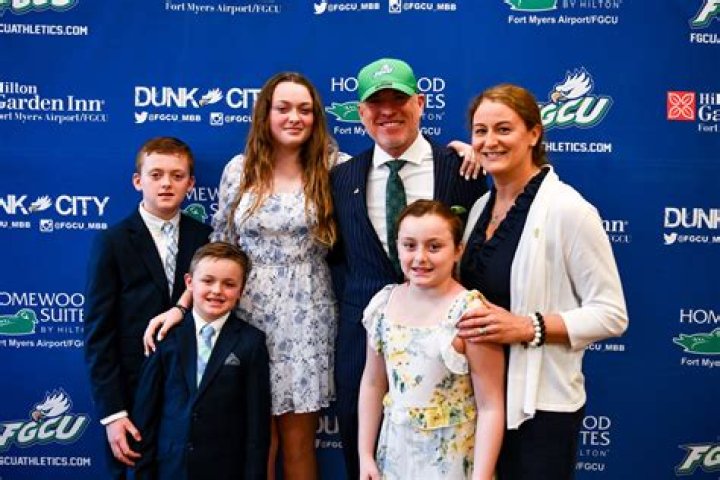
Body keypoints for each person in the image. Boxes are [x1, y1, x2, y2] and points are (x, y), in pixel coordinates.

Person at [143, 72, 339, 480]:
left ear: (316, 117)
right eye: (283, 108)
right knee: (253, 439)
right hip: (244, 313)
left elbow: (385, 169)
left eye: (304, 109)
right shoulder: (240, 169)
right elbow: (220, 247)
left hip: (306, 317)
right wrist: (183, 306)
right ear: (265, 113)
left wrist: (462, 151)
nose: (294, 117)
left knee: (298, 444)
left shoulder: (333, 165)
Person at [455, 84, 628, 480]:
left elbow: (611, 314)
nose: (490, 141)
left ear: (534, 134)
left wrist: (527, 326)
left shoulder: (569, 210)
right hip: (479, 403)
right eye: (480, 131)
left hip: (540, 410)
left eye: (504, 129)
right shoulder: (480, 208)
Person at [330, 57, 488, 478]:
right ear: (361, 113)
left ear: (420, 103)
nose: (387, 111)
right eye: (375, 103)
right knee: (362, 465)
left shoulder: (463, 168)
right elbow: (337, 259)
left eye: (398, 99)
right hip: (364, 348)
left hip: (445, 355)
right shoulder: (341, 178)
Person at [83, 137, 211, 479]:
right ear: (138, 181)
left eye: (177, 175)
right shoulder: (112, 241)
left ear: (191, 184)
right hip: (133, 391)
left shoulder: (205, 237)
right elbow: (98, 333)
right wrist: (113, 414)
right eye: (156, 175)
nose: (166, 183)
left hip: (191, 392)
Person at [357, 200, 505, 480]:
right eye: (409, 245)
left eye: (434, 247)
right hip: (395, 457)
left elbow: (491, 406)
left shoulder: (471, 313)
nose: (420, 258)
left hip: (452, 461)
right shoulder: (383, 305)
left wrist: (482, 476)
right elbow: (373, 382)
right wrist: (365, 454)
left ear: (458, 250)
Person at [130, 242, 271, 480]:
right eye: (208, 281)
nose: (217, 291)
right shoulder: (165, 336)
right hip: (170, 469)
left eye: (229, 284)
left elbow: (257, 426)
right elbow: (146, 414)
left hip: (225, 471)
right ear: (189, 282)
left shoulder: (251, 342)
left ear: (241, 290)